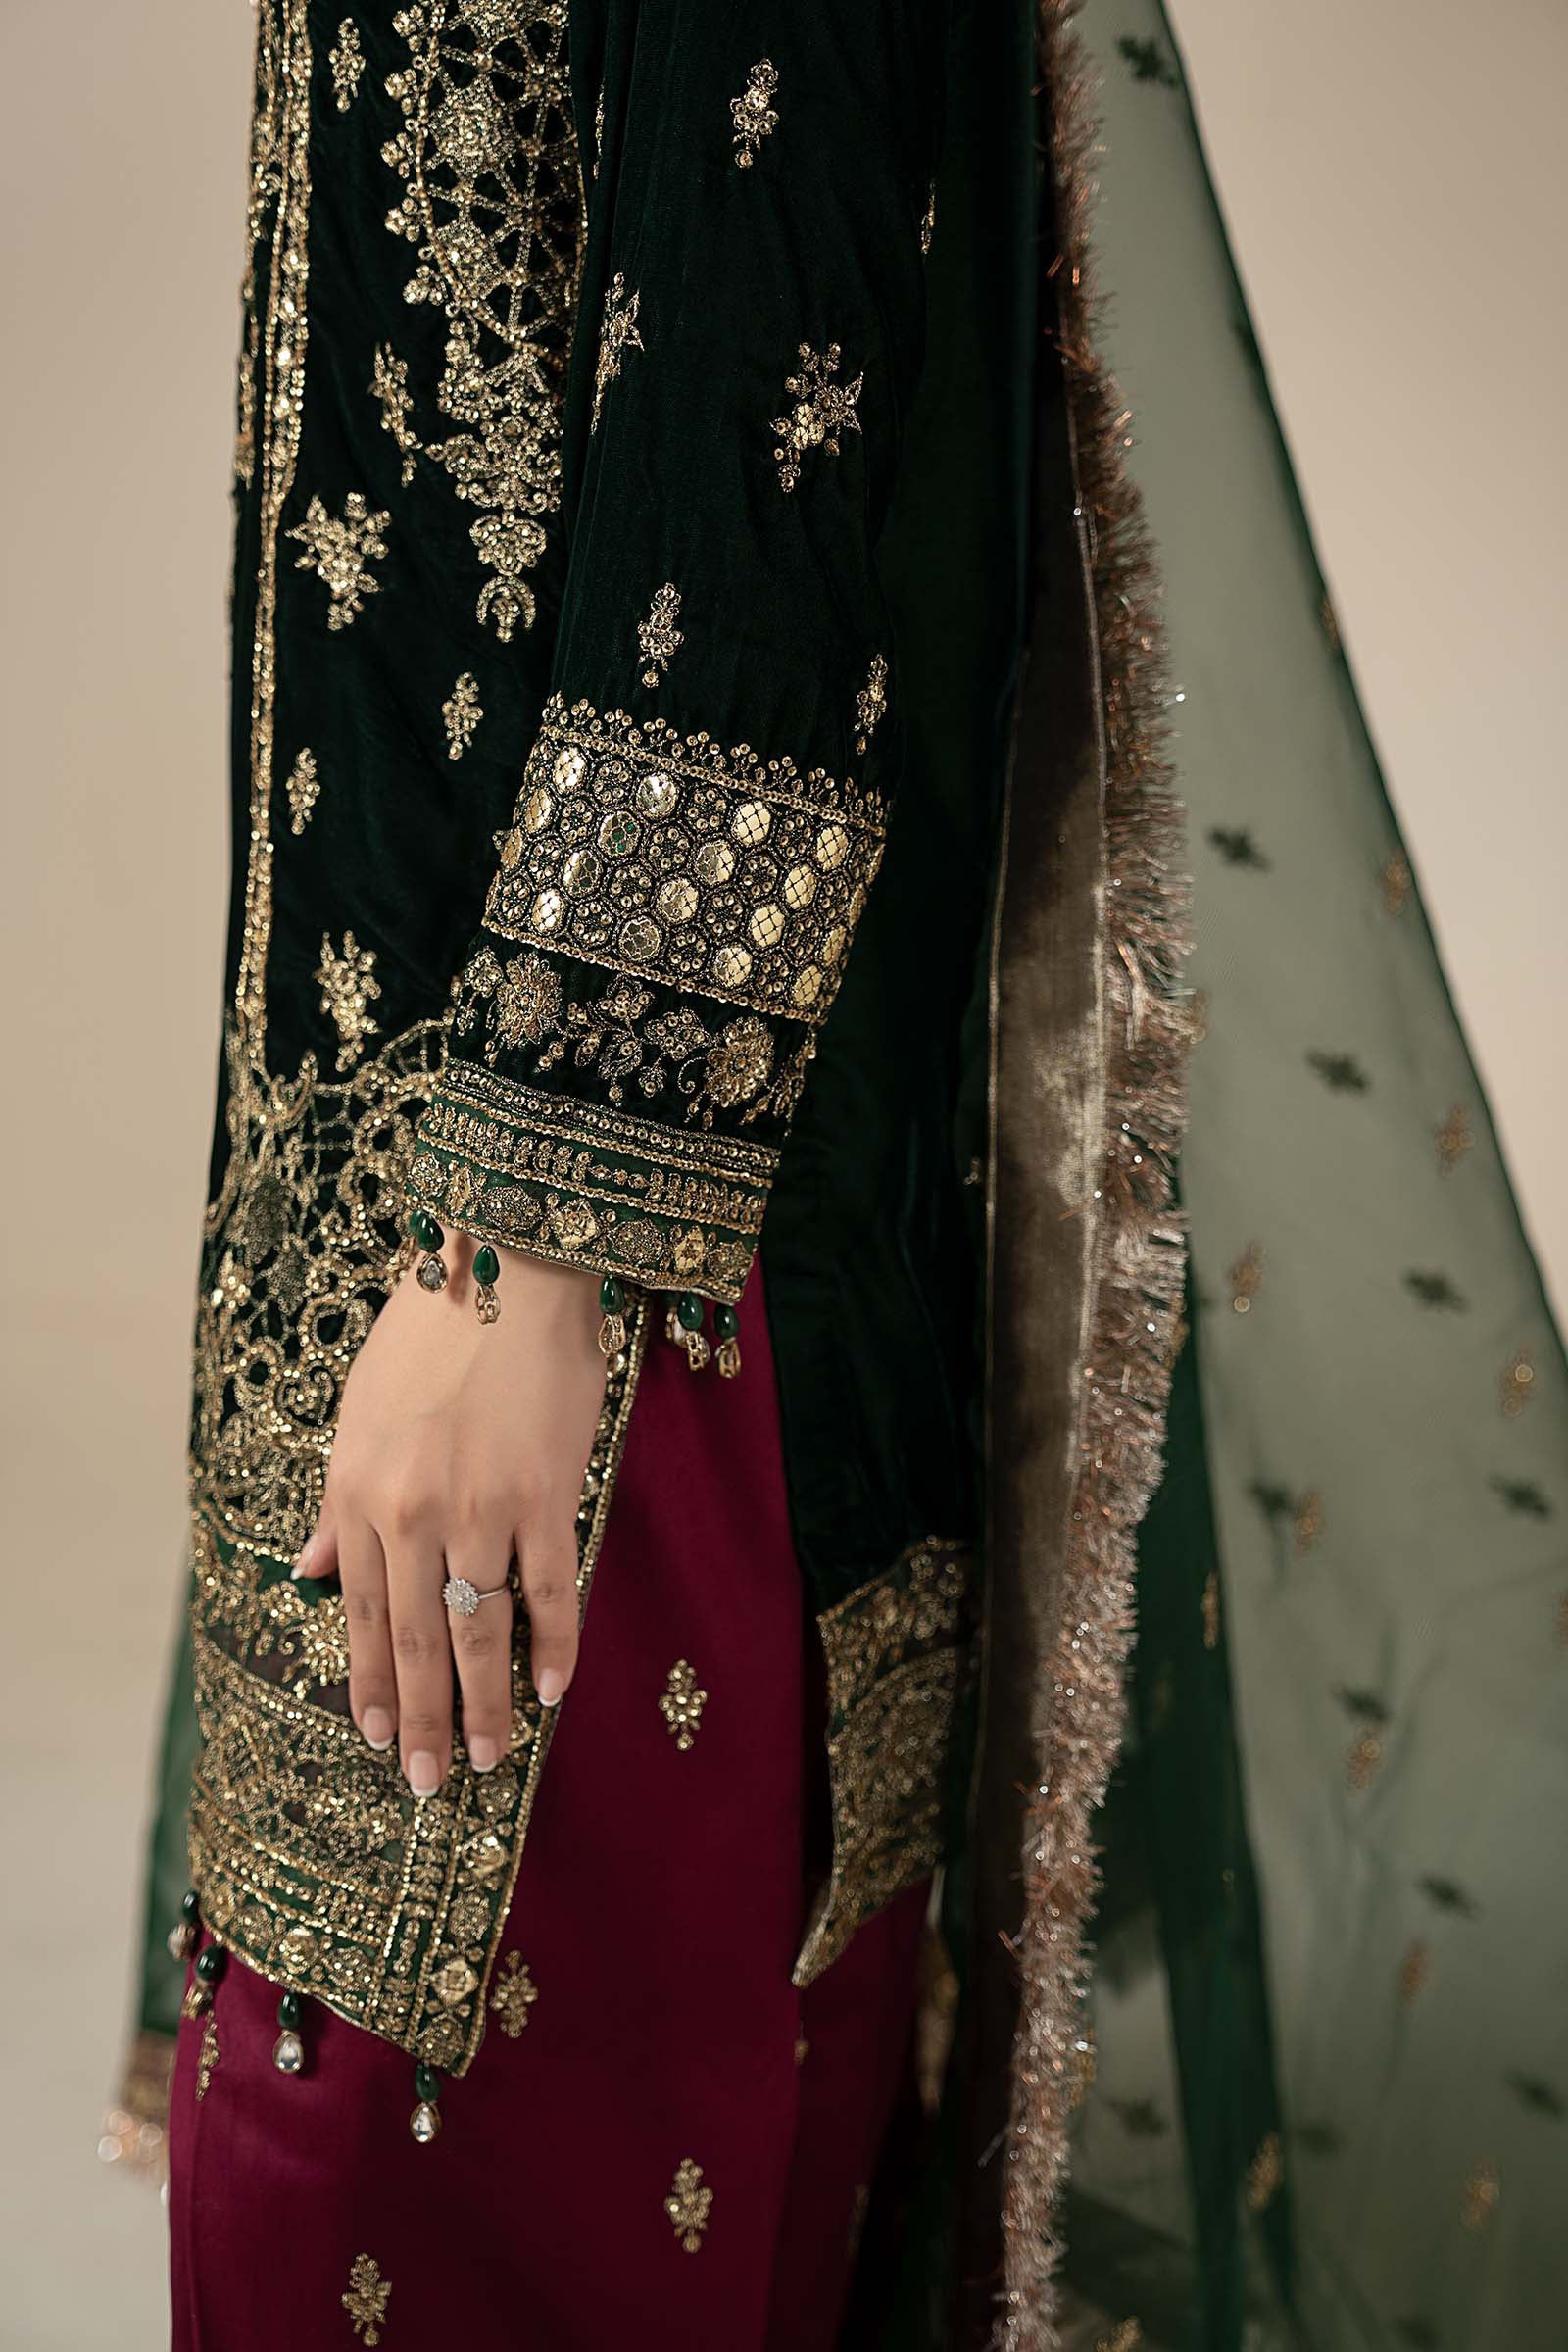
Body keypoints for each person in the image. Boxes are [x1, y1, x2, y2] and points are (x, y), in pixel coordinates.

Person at [112, 4, 1568, 2348]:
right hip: (404, 1254)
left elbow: (760, 387)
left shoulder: (549, 1283)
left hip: (605, 1308)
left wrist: (529, 1242)